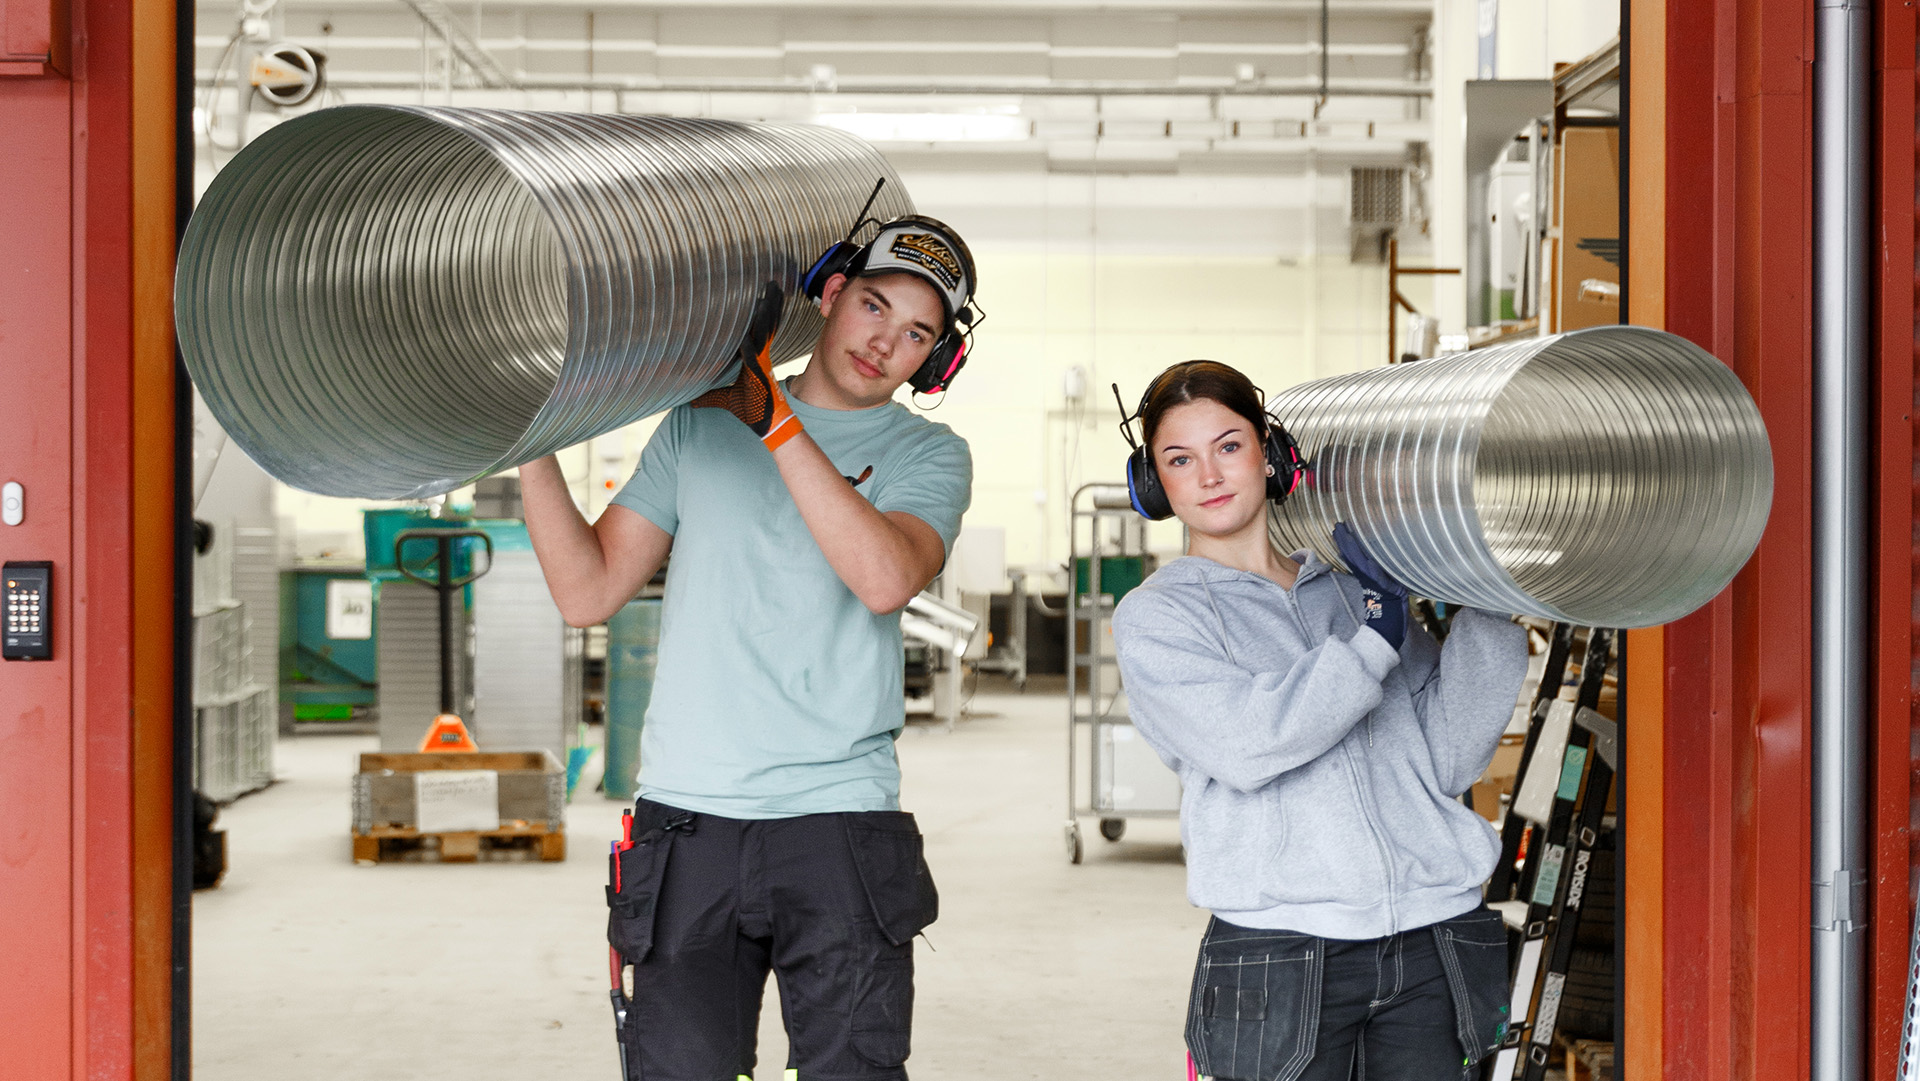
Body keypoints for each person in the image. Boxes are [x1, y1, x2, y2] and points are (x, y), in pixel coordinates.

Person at [519, 214, 979, 1081]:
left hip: (839, 820)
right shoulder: (699, 428)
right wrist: (527, 443)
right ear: (832, 294)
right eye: (874, 305)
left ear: (935, 360)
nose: (885, 342)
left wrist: (777, 425)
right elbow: (588, 591)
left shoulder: (929, 454)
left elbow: (884, 577)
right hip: (689, 821)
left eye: (916, 332)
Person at [1107, 360, 1529, 1081]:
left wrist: (1486, 596)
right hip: (1282, 955)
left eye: (1229, 446)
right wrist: (1369, 647)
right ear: (1154, 484)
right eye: (1180, 458)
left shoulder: (1352, 587)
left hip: (1433, 939)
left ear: (1270, 456)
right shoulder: (1157, 617)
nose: (1208, 474)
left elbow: (1451, 759)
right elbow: (1247, 744)